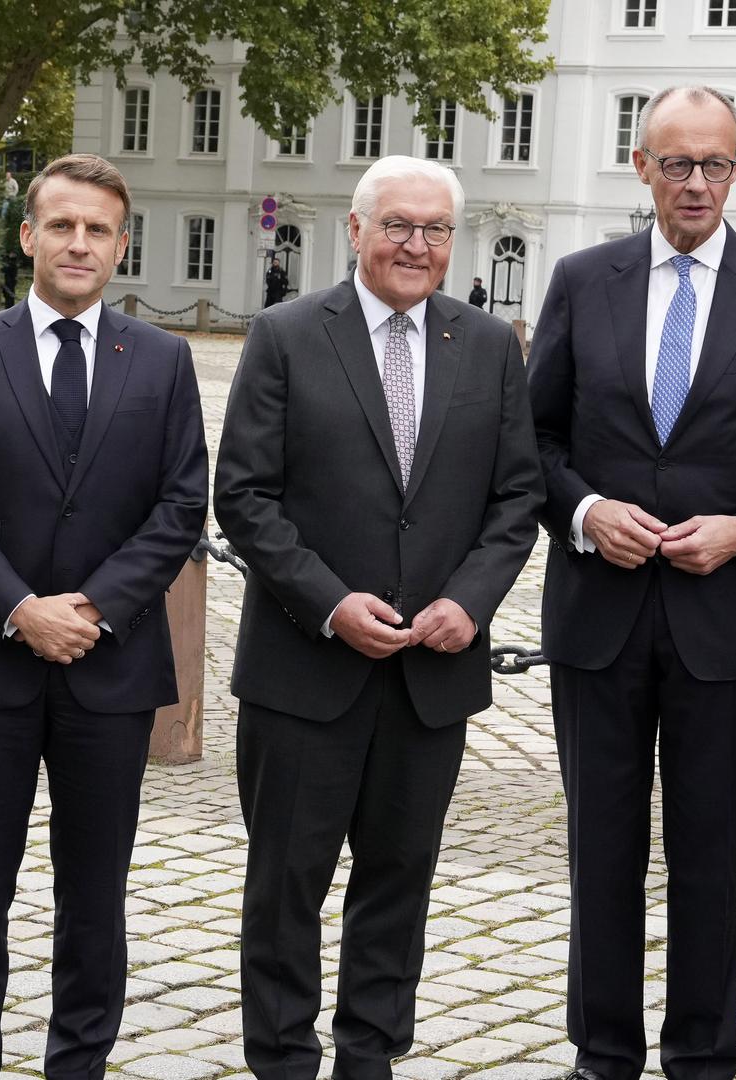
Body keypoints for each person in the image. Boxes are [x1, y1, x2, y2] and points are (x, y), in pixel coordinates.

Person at [524, 85, 736, 1080]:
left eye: (714, 163)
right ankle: (603, 1055)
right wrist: (584, 513)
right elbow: (531, 441)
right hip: (600, 619)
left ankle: (704, 1058)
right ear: (642, 168)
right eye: (677, 163)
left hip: (728, 625)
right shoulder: (584, 280)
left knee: (709, 860)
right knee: (601, 853)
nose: (696, 182)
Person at [215, 155, 543, 1080]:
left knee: (399, 881)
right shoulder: (284, 334)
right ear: (355, 231)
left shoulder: (486, 345)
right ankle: (281, 1058)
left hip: (430, 672)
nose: (416, 244)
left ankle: (371, 1056)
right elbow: (243, 495)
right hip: (304, 669)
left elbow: (516, 499)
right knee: (287, 883)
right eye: (397, 225)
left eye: (435, 229)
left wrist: (469, 604)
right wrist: (328, 603)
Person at [0, 152, 208, 1078]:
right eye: (63, 225)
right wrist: (19, 609)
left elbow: (179, 507)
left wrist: (95, 608)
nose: (81, 243)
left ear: (122, 245)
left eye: (99, 229)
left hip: (111, 672)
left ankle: (77, 1064)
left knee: (95, 896)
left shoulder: (162, 359)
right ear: (29, 236)